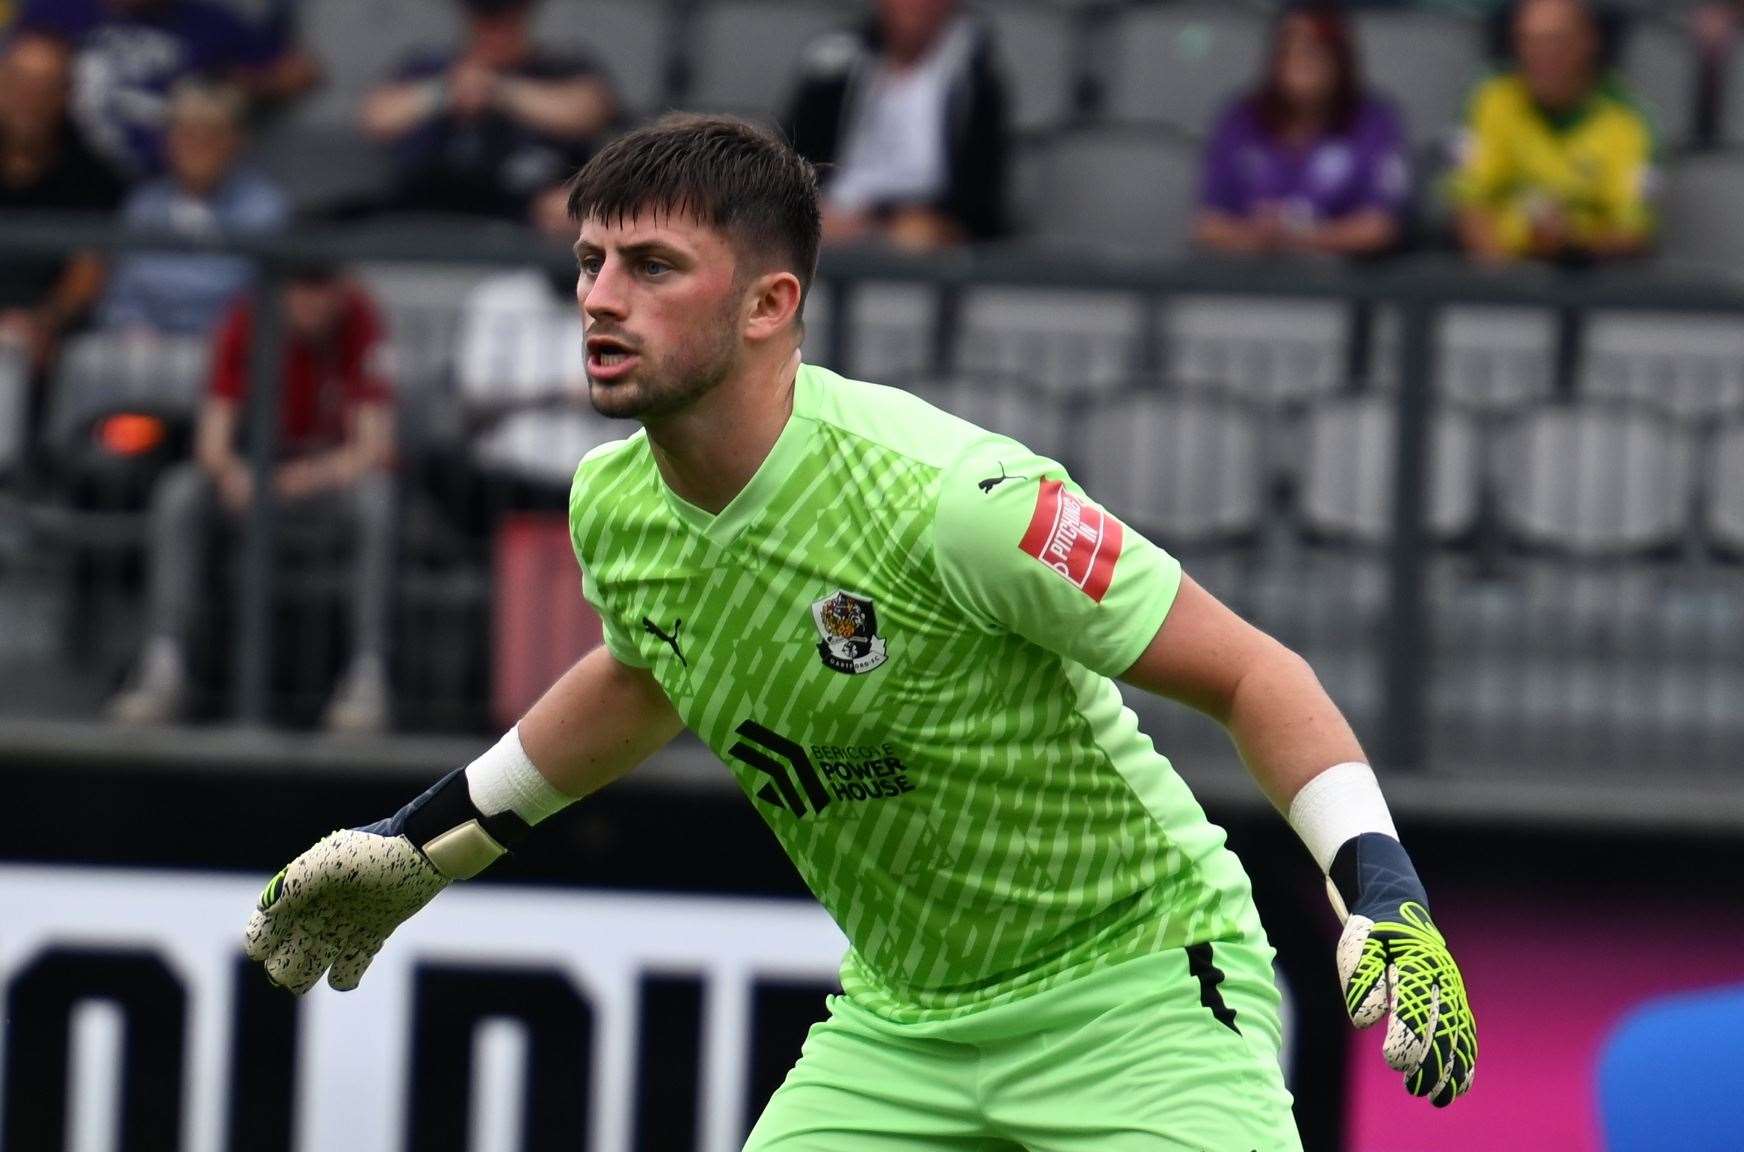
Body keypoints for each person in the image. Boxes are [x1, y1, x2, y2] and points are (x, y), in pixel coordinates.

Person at [242, 115, 1476, 1147]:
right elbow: (648, 671)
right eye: (588, 263)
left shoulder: (957, 499)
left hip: (1135, 990)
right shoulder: (611, 502)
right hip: (902, 1024)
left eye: (653, 268)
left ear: (772, 303)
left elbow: (1256, 673)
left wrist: (1384, 897)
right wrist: (422, 848)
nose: (600, 301)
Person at [108, 264, 396, 732]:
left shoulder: (361, 319)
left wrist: (299, 479)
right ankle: (164, 667)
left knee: (376, 501)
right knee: (180, 493)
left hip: (324, 484)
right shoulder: (247, 318)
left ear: (343, 290)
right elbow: (212, 440)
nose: (314, 303)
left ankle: (367, 677)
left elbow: (373, 447)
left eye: (324, 289)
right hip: (248, 481)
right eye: (303, 288)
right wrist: (236, 475)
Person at [446, 181, 614, 523]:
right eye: (553, 229)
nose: (563, 244)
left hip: (606, 478)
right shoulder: (498, 298)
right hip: (510, 479)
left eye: (573, 232)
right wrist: (558, 395)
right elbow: (473, 403)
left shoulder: (625, 298)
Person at [359, 0, 617, 221]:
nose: (494, 33)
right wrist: (445, 92)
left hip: (525, 222)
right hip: (428, 216)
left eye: (505, 21)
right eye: (484, 20)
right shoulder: (431, 66)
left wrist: (497, 90)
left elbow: (587, 110)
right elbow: (377, 117)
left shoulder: (560, 64)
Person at [785, 0, 1009, 250]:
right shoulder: (833, 64)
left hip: (930, 235)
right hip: (831, 224)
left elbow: (980, 197)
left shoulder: (977, 80)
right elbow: (797, 157)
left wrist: (939, 226)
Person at [0, 30, 124, 476]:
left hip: (41, 332)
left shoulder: (93, 176)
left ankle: (9, 497)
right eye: (18, 82)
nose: (28, 98)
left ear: (67, 94)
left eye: (45, 86)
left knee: (9, 353)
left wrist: (45, 321)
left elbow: (88, 271)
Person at [1194, 4, 1409, 259]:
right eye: (1290, 49)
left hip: (1343, 285)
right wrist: (1256, 235)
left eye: (1315, 51)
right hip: (1251, 279)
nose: (1301, 61)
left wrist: (1300, 235)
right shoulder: (1241, 119)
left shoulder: (1373, 122)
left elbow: (1380, 228)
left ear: (1340, 58)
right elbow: (1206, 225)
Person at [1452, 0, 1657, 265]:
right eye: (1528, 41)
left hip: (1591, 280)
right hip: (1502, 280)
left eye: (1554, 40)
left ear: (1587, 42)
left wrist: (1571, 244)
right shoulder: (1491, 100)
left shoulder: (1629, 120)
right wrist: (1510, 277)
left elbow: (1634, 231)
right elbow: (1468, 204)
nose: (1539, 55)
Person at [17, 0, 311, 177]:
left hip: (168, 187)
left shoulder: (203, 21)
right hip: (66, 176)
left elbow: (300, 72)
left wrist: (230, 84)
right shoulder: (56, 8)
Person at [98, 79, 287, 336]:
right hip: (146, 346)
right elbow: (122, 294)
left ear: (237, 141)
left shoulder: (264, 207)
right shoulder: (144, 203)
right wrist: (132, 328)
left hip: (228, 348)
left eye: (211, 134)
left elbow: (246, 292)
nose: (197, 147)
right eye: (186, 133)